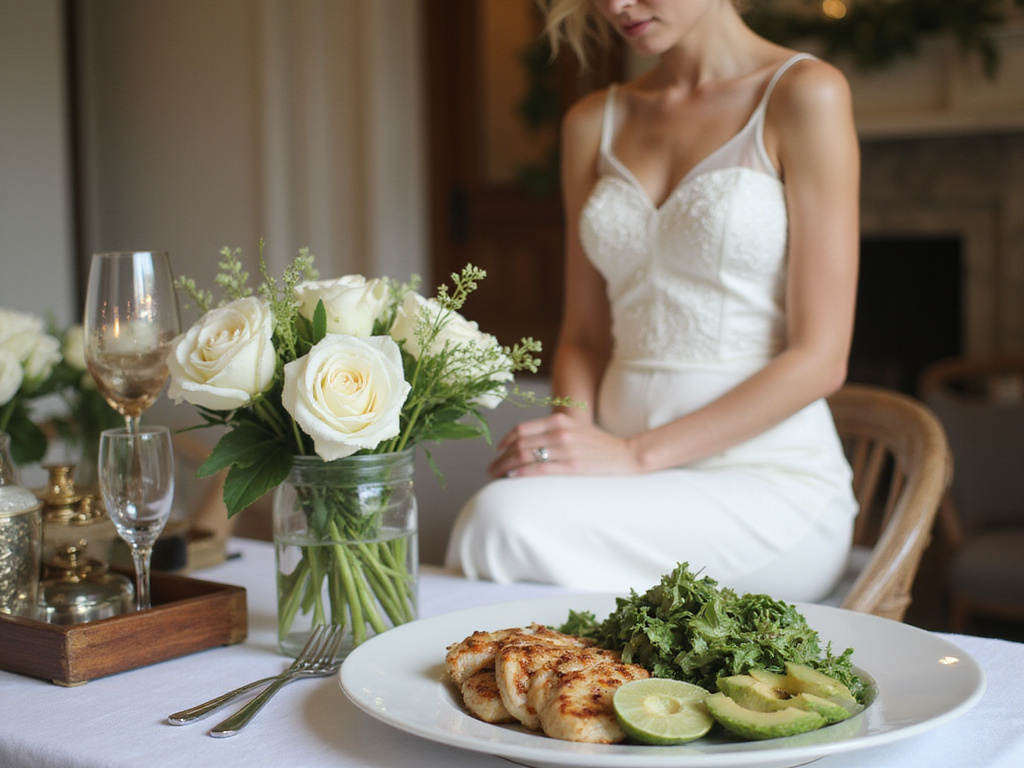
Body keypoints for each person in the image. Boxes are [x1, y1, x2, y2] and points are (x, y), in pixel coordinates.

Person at [445, 0, 861, 601]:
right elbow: (584, 334)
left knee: (499, 524)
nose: (616, 6)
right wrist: (572, 437)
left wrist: (634, 455)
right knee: (509, 513)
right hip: (618, 470)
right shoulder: (594, 121)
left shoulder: (803, 93)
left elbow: (821, 358)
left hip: (764, 482)